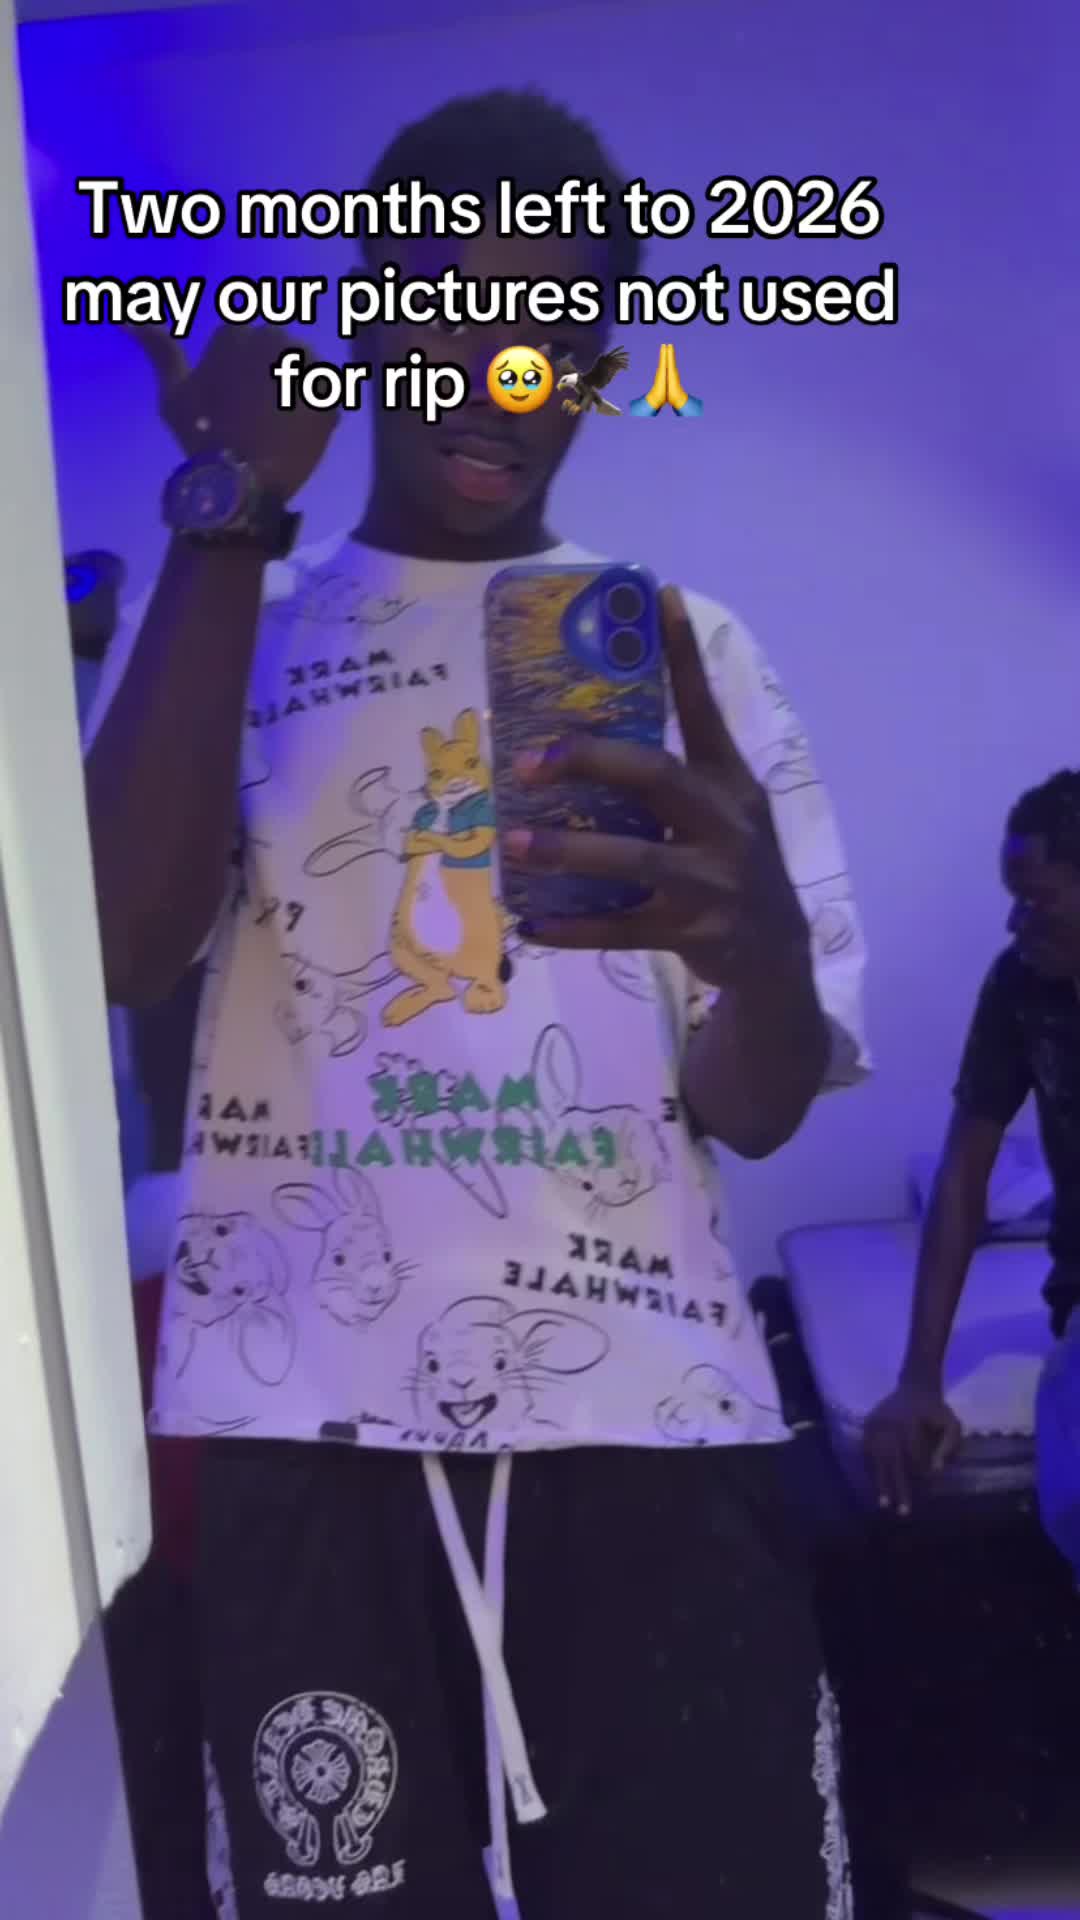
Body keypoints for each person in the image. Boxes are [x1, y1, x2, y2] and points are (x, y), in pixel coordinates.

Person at [83, 89, 869, 1920]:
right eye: (448, 313)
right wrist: (226, 519)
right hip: (305, 1424)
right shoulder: (236, 629)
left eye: (554, 334)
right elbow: (121, 948)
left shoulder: (687, 648)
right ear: (369, 312)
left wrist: (760, 950)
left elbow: (755, 1107)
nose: (500, 380)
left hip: (648, 1424)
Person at [865, 770, 1080, 1580]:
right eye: (1013, 899)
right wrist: (919, 1380)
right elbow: (963, 1172)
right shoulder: (1022, 986)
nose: (1016, 921)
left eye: (1038, 899)